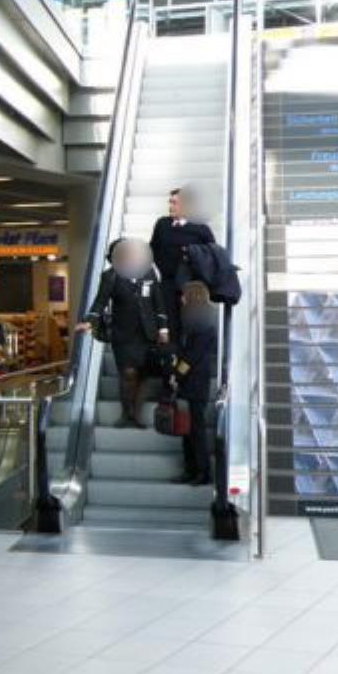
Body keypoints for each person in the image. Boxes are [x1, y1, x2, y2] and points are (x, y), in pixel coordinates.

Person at [76, 238, 168, 428]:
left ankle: (136, 413)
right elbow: (100, 302)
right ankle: (127, 413)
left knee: (143, 374)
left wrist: (163, 328)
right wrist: (89, 321)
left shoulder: (149, 272)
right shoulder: (110, 276)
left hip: (146, 333)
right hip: (123, 334)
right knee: (128, 372)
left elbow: (159, 303)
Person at [150, 187, 216, 338]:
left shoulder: (201, 228)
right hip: (167, 284)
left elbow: (212, 256)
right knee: (169, 324)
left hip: (191, 288)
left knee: (192, 326)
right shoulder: (162, 224)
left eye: (175, 203)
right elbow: (153, 248)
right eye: (170, 202)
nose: (170, 206)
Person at [174, 281, 218, 486]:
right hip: (191, 380)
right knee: (187, 429)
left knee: (196, 430)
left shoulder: (204, 323)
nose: (181, 299)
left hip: (196, 381)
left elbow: (192, 355)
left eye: (184, 295)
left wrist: (177, 374)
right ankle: (190, 470)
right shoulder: (195, 319)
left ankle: (202, 472)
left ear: (193, 296)